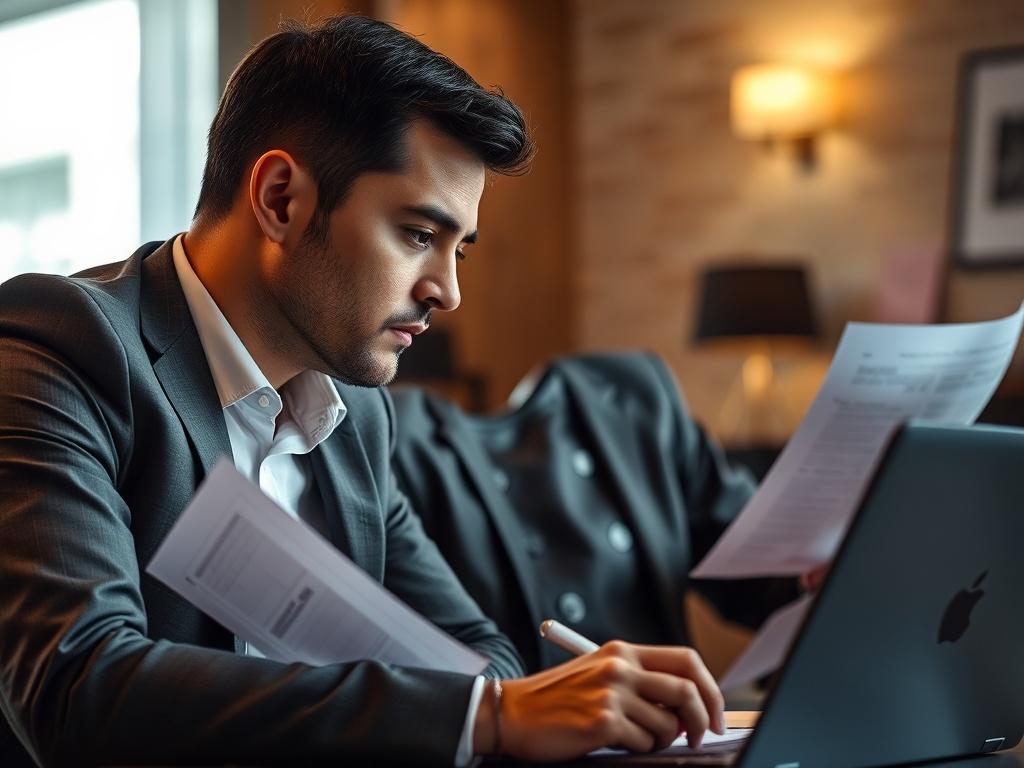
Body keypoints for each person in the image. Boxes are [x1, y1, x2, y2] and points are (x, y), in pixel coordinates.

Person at [0, 14, 725, 768]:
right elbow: (77, 687)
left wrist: (499, 704)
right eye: (419, 235)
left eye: (459, 250)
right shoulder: (58, 349)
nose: (447, 292)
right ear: (281, 199)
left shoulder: (359, 419)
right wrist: (489, 716)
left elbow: (476, 653)